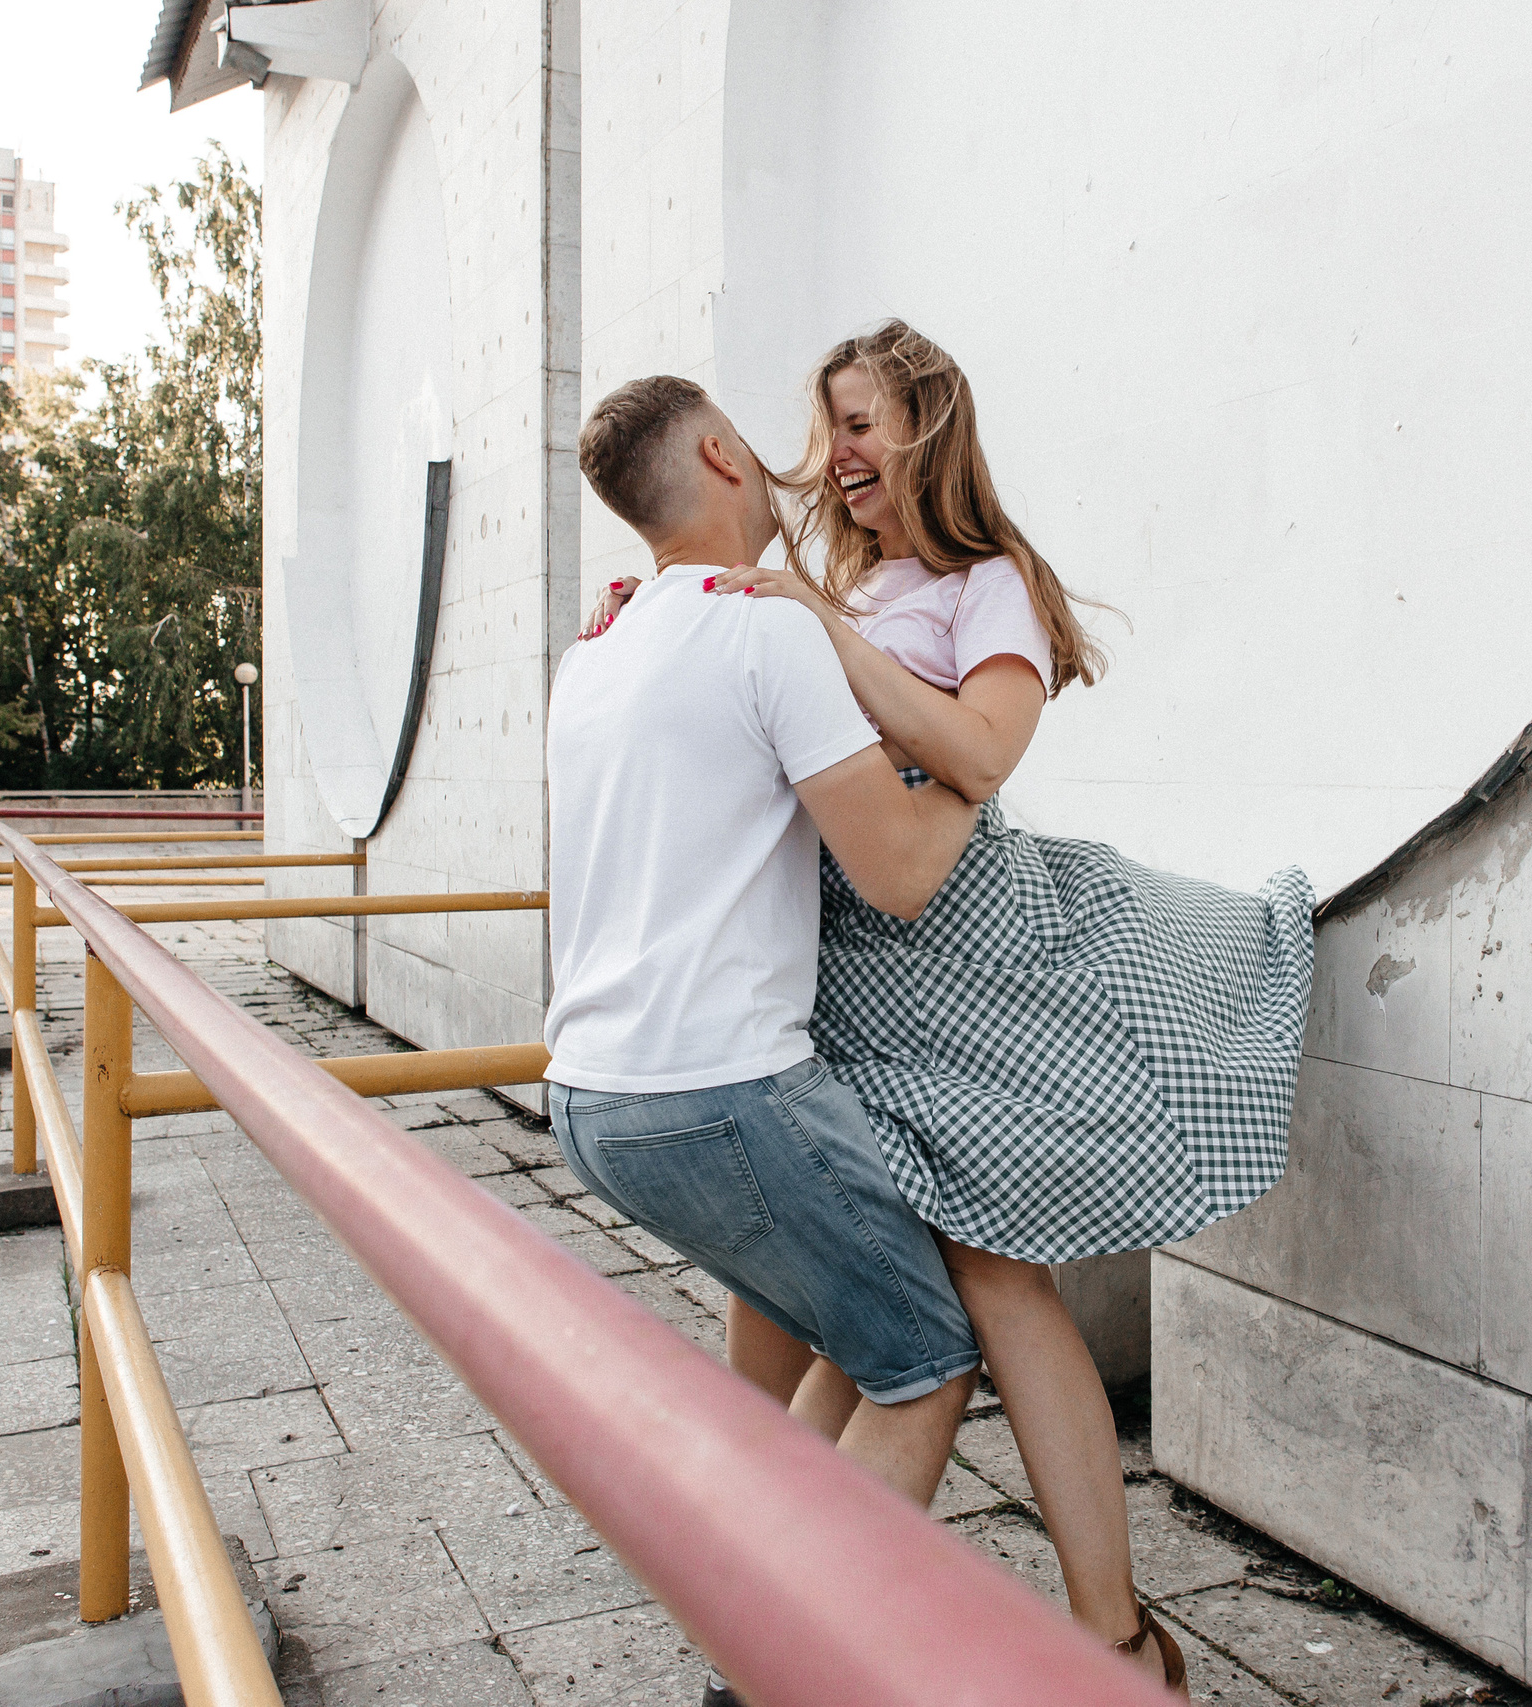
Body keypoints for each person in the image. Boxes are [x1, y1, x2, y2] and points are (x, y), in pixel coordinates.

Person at [585, 321, 1315, 1696]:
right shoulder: (829, 591)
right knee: (810, 1311)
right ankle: (770, 1607)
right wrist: (659, 620)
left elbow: (979, 749)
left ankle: (1108, 1637)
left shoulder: (991, 586)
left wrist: (809, 624)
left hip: (969, 966)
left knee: (988, 1281)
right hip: (842, 986)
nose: (841, 456)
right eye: (829, 428)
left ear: (927, 428)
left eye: (865, 425)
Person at [547, 373, 993, 1706]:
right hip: (720, 1091)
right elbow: (905, 870)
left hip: (591, 1095)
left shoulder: (597, 652)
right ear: (724, 456)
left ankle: (753, 1632)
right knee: (923, 1361)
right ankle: (801, 1671)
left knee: (838, 1350)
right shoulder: (766, 633)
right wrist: (977, 764)